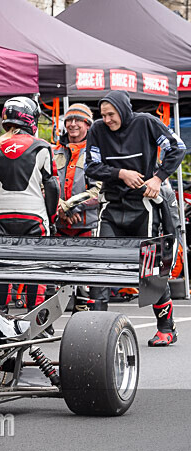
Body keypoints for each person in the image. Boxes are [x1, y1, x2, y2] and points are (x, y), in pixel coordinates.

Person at [85, 90, 186, 346]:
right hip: (111, 206)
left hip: (144, 206)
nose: (107, 119)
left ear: (124, 110)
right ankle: (97, 332)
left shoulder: (145, 122)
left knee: (149, 270)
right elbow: (91, 166)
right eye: (103, 114)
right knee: (102, 267)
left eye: (112, 114)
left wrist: (158, 177)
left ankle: (166, 328)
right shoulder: (97, 129)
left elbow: (177, 147)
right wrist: (121, 173)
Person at [0, 96, 59, 312]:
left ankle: (0, 313)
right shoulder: (42, 147)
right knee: (35, 267)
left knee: (1, 266)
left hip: (1, 217)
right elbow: (52, 186)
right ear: (30, 118)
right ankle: (36, 315)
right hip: (35, 216)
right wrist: (52, 217)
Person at [53, 103, 102, 237]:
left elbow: (100, 190)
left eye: (78, 120)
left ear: (88, 125)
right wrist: (60, 207)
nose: (72, 124)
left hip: (88, 228)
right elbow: (42, 184)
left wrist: (69, 206)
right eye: (69, 120)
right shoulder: (53, 152)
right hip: (57, 226)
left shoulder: (97, 153)